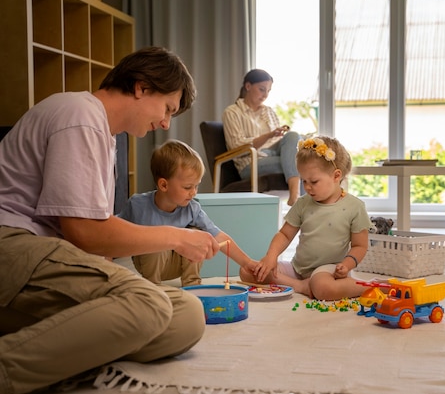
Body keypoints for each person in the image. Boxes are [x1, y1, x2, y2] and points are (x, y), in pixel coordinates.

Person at [0, 47, 218, 394]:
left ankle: (51, 352)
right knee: (148, 304)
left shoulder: (104, 135)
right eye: (167, 109)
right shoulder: (79, 114)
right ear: (141, 88)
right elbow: (85, 232)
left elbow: (88, 238)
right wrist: (175, 237)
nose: (165, 123)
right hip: (14, 245)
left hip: (44, 259)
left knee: (186, 317)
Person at [239, 136, 371, 301]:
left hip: (329, 271)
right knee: (248, 271)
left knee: (323, 287)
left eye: (314, 181)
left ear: (336, 176)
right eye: (304, 181)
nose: (307, 187)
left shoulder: (354, 206)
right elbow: (285, 234)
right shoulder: (303, 203)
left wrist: (347, 265)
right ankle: (301, 286)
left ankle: (369, 285)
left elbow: (360, 245)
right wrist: (271, 257)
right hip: (298, 269)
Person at [118, 139, 259, 287]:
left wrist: (247, 262)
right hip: (149, 264)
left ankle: (192, 284)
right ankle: (152, 286)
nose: (193, 193)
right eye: (187, 187)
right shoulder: (137, 205)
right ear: (164, 185)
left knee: (197, 233)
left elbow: (219, 236)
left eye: (196, 186)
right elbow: (113, 234)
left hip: (176, 265)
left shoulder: (192, 208)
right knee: (158, 238)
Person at [222, 69, 301, 205]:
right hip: (251, 161)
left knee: (293, 136)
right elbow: (235, 146)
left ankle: (296, 198)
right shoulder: (232, 112)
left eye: (268, 91)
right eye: (262, 89)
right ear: (248, 86)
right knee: (303, 164)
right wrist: (268, 135)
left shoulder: (268, 111)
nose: (265, 95)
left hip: (274, 154)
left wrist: (281, 136)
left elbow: (279, 143)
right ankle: (300, 202)